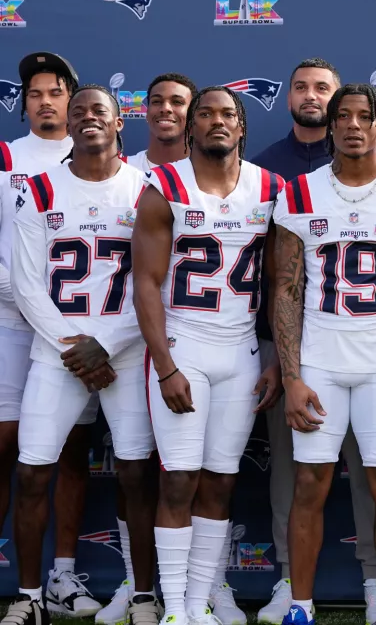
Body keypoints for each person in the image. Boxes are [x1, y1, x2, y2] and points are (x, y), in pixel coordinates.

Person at [272, 83, 376, 625]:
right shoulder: (299, 193)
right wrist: (292, 376)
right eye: (342, 115)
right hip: (319, 356)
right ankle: (299, 603)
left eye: (363, 117)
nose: (351, 125)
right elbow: (287, 291)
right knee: (310, 483)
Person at [4, 85, 159, 625]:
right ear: (67, 126)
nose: (87, 118)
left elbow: (157, 282)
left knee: (137, 473)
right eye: (79, 112)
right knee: (31, 471)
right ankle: (28, 596)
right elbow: (25, 281)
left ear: (120, 122)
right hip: (60, 352)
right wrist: (75, 346)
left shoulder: (146, 188)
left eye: (99, 110)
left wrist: (106, 344)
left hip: (128, 348)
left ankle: (142, 594)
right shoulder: (40, 189)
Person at [132, 86, 282, 625]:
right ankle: (175, 609)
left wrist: (277, 359)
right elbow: (146, 284)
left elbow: (282, 284)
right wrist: (165, 364)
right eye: (206, 114)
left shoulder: (271, 187)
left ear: (242, 127)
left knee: (220, 479)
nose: (217, 121)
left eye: (228, 114)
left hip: (240, 349)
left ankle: (199, 603)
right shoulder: (163, 185)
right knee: (178, 478)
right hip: (184, 345)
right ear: (191, 127)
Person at [251, 57, 376, 625]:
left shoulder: (373, 174)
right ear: (289, 98)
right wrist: (277, 357)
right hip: (288, 349)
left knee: (375, 467)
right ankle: (288, 578)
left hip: (365, 345)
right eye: (301, 87)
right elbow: (267, 273)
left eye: (322, 89)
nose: (312, 96)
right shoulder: (262, 168)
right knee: (295, 468)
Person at [88, 72, 200, 625]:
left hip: (179, 346)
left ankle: (201, 590)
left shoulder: (210, 176)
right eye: (155, 101)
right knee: (132, 471)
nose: (166, 111)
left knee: (194, 470)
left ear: (195, 113)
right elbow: (132, 278)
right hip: (122, 347)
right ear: (139, 113)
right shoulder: (122, 176)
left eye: (178, 103)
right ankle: (138, 588)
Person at [0, 52, 106, 619]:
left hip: (80, 331)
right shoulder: (5, 159)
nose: (47, 101)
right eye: (36, 93)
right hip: (9, 322)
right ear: (24, 103)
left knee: (70, 449)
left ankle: (62, 578)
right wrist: (13, 285)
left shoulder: (100, 159)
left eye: (56, 91)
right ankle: (19, 584)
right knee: (7, 449)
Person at [123, 73, 198, 173]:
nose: (165, 108)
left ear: (193, 114)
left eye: (177, 102)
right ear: (147, 113)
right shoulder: (121, 170)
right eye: (157, 101)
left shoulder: (213, 172)